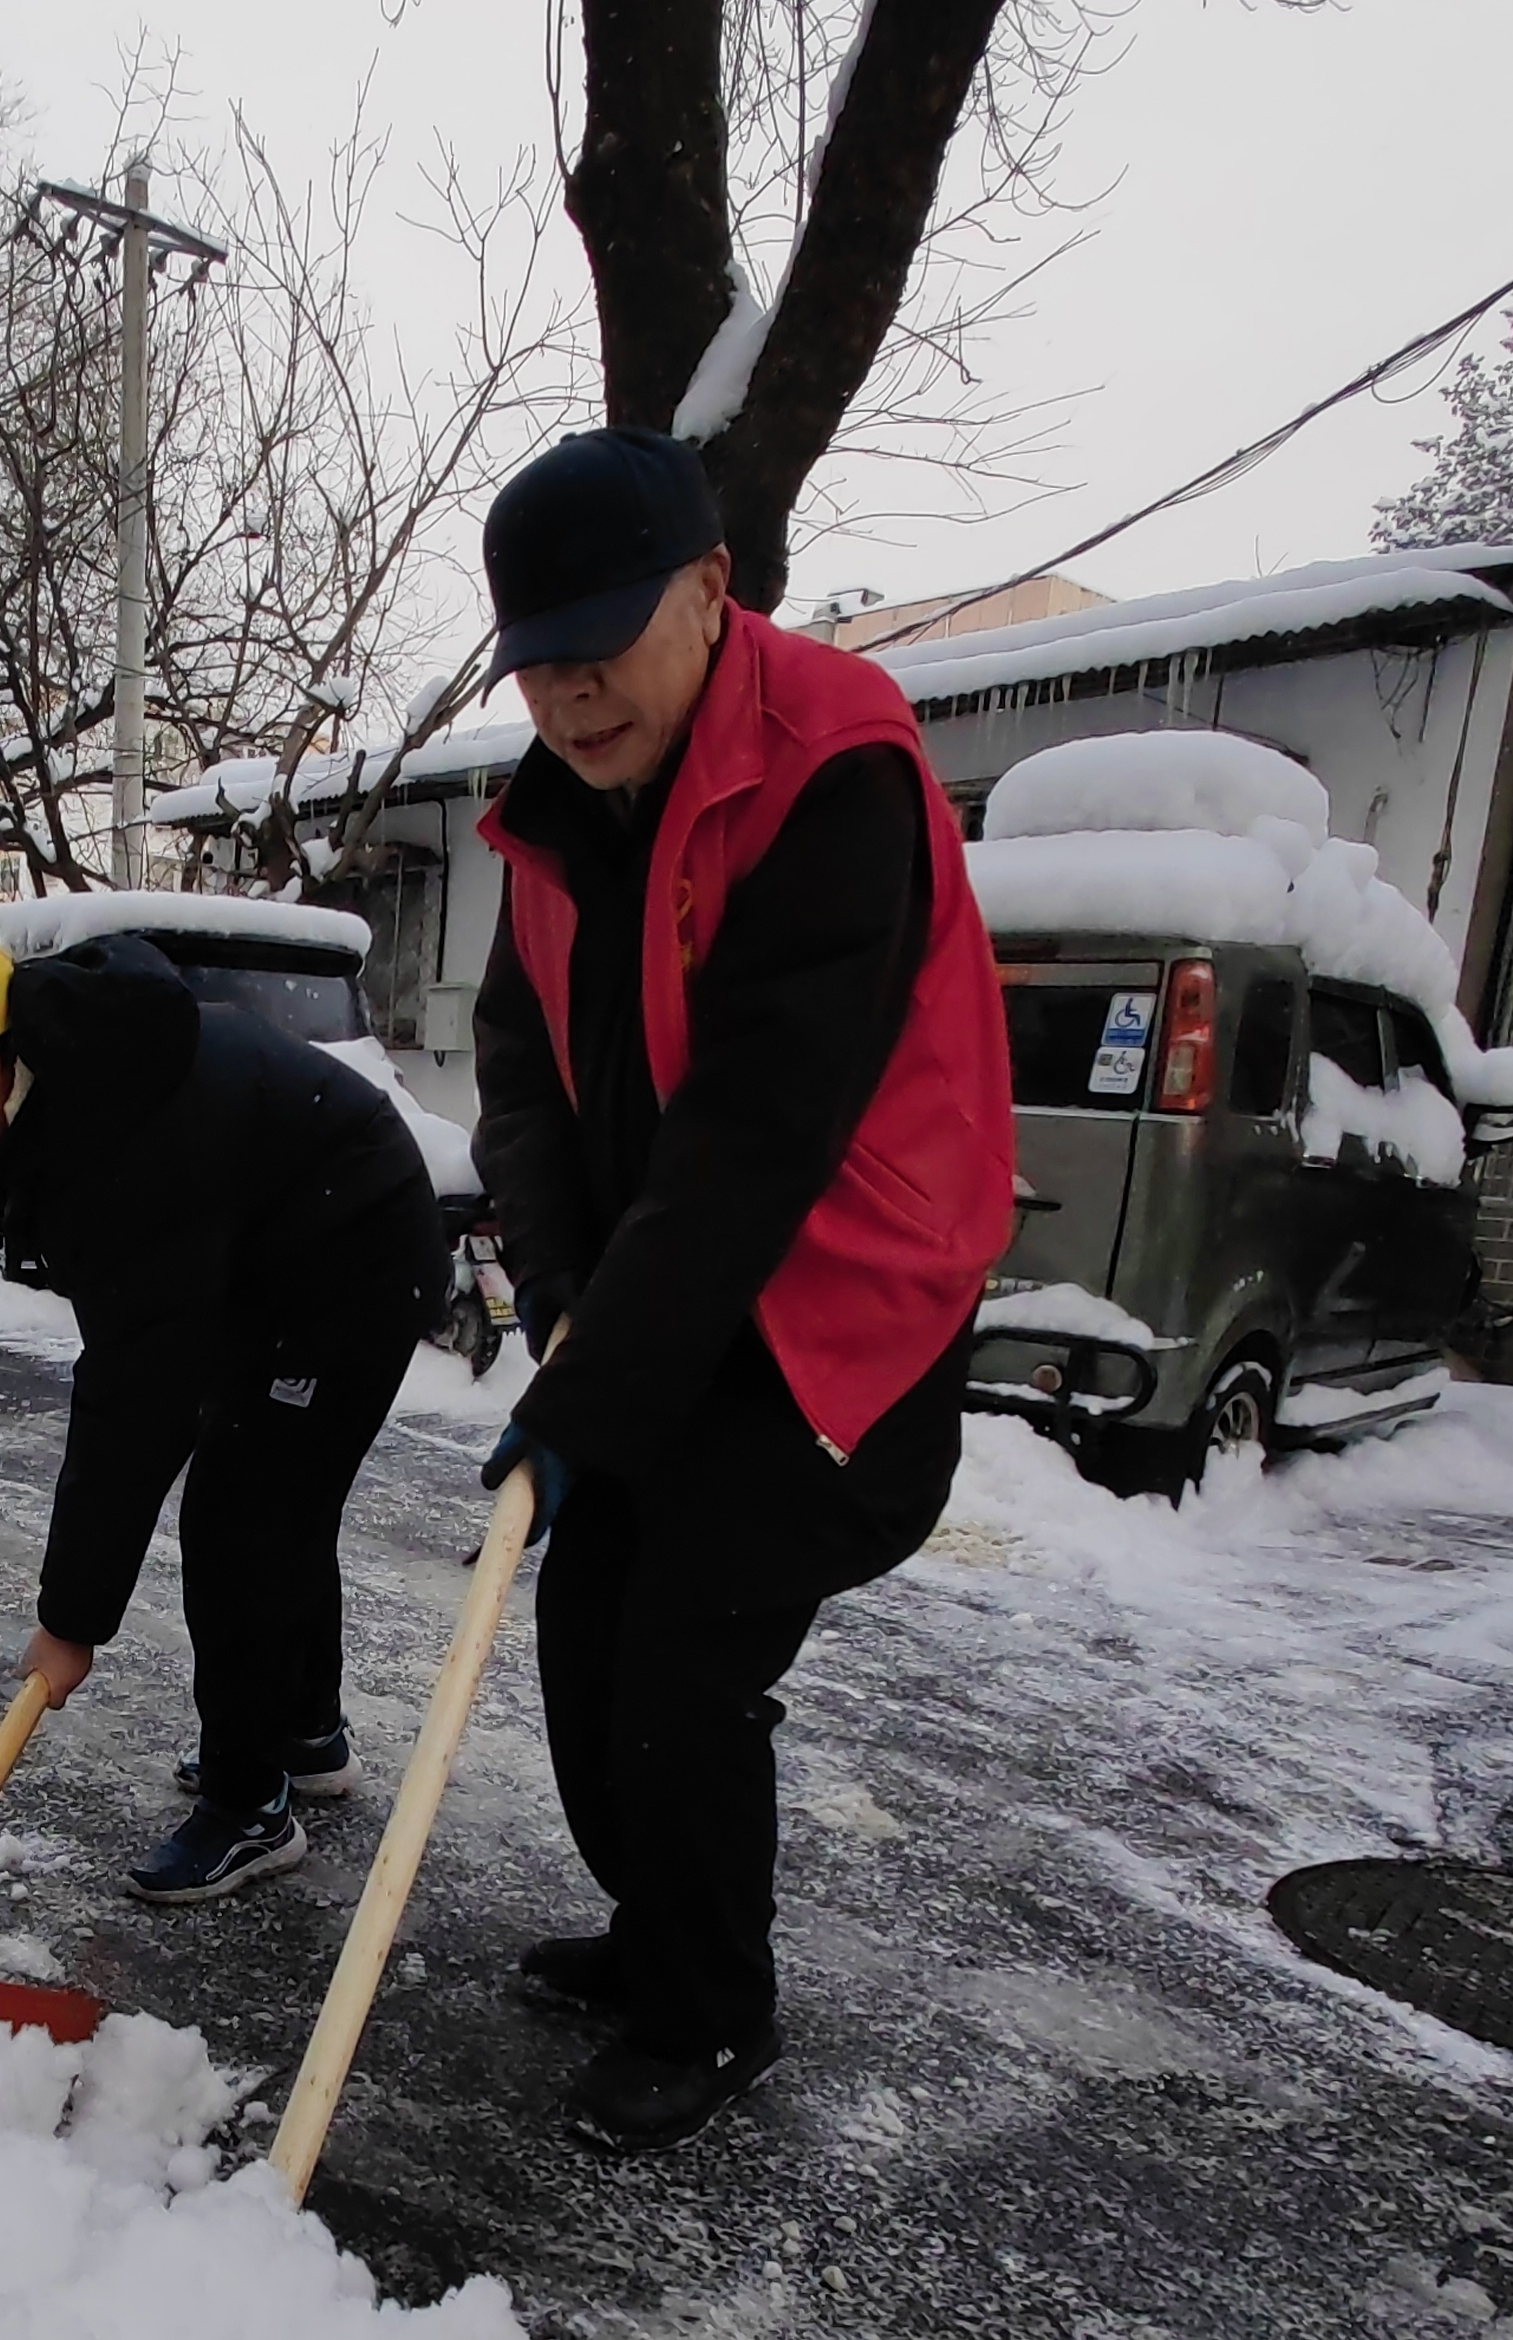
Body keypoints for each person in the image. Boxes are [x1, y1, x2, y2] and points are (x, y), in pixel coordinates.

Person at [467, 427, 1014, 2151]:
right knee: (579, 1629)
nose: (567, 696)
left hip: (840, 1314)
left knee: (681, 1656)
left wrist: (583, 1395)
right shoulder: (558, 819)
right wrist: (564, 1303)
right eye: (537, 664)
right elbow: (522, 1076)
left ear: (714, 589)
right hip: (662, 1307)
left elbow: (757, 1139)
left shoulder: (837, 771)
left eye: (600, 646)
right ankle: (658, 1930)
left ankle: (711, 2013)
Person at [0, 927, 447, 1902]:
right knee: (275, 1497)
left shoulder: (116, 1132)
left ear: (6, 1051)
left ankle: (248, 1804)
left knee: (241, 1517)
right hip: (276, 1254)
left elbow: (136, 1399)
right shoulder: (77, 1083)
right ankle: (301, 1734)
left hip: (351, 1261)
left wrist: (70, 1621)